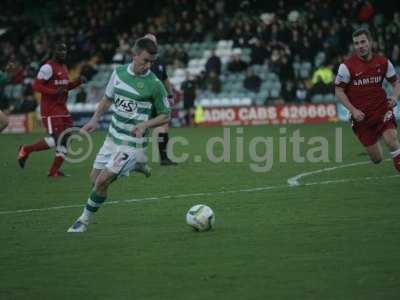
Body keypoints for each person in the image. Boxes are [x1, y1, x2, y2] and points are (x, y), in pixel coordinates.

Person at [67, 37, 170, 233]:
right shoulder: (119, 72)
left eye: (152, 62)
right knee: (94, 179)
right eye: (145, 60)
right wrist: (95, 119)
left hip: (132, 143)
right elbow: (107, 99)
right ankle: (138, 164)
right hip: (112, 137)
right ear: (135, 55)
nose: (148, 65)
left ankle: (83, 221)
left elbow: (166, 115)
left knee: (102, 181)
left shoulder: (155, 84)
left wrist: (145, 124)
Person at [335, 28, 400, 171]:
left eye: (363, 42)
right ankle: (379, 136)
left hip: (381, 109)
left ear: (370, 42)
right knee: (377, 159)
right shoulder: (346, 67)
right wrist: (353, 110)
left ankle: (388, 140)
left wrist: (395, 97)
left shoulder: (383, 62)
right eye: (357, 43)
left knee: (391, 138)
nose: (360, 46)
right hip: (361, 117)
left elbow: (396, 82)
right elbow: (338, 91)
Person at [17, 42, 86, 176]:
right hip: (50, 110)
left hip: (62, 109)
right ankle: (26, 149)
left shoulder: (64, 67)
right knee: (58, 138)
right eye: (60, 50)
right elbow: (36, 86)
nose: (63, 53)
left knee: (67, 138)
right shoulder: (47, 67)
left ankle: (54, 171)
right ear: (54, 51)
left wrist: (78, 82)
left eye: (65, 50)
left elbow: (65, 87)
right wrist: (53, 92)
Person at [144, 33, 177, 165]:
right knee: (139, 128)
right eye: (149, 42)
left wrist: (170, 95)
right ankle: (130, 157)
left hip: (158, 99)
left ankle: (164, 158)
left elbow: (165, 79)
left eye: (153, 42)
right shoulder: (141, 60)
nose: (152, 44)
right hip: (144, 99)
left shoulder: (159, 60)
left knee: (163, 125)